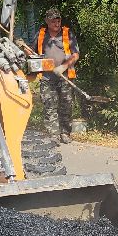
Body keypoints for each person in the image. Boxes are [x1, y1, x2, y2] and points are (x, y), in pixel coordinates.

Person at [35, 8, 80, 143]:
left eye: (58, 20)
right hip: (47, 78)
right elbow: (31, 53)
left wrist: (63, 67)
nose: (56, 23)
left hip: (64, 77)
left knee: (66, 106)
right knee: (49, 106)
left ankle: (65, 133)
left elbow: (76, 54)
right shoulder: (41, 35)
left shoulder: (67, 33)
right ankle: (53, 136)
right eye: (53, 21)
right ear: (47, 21)